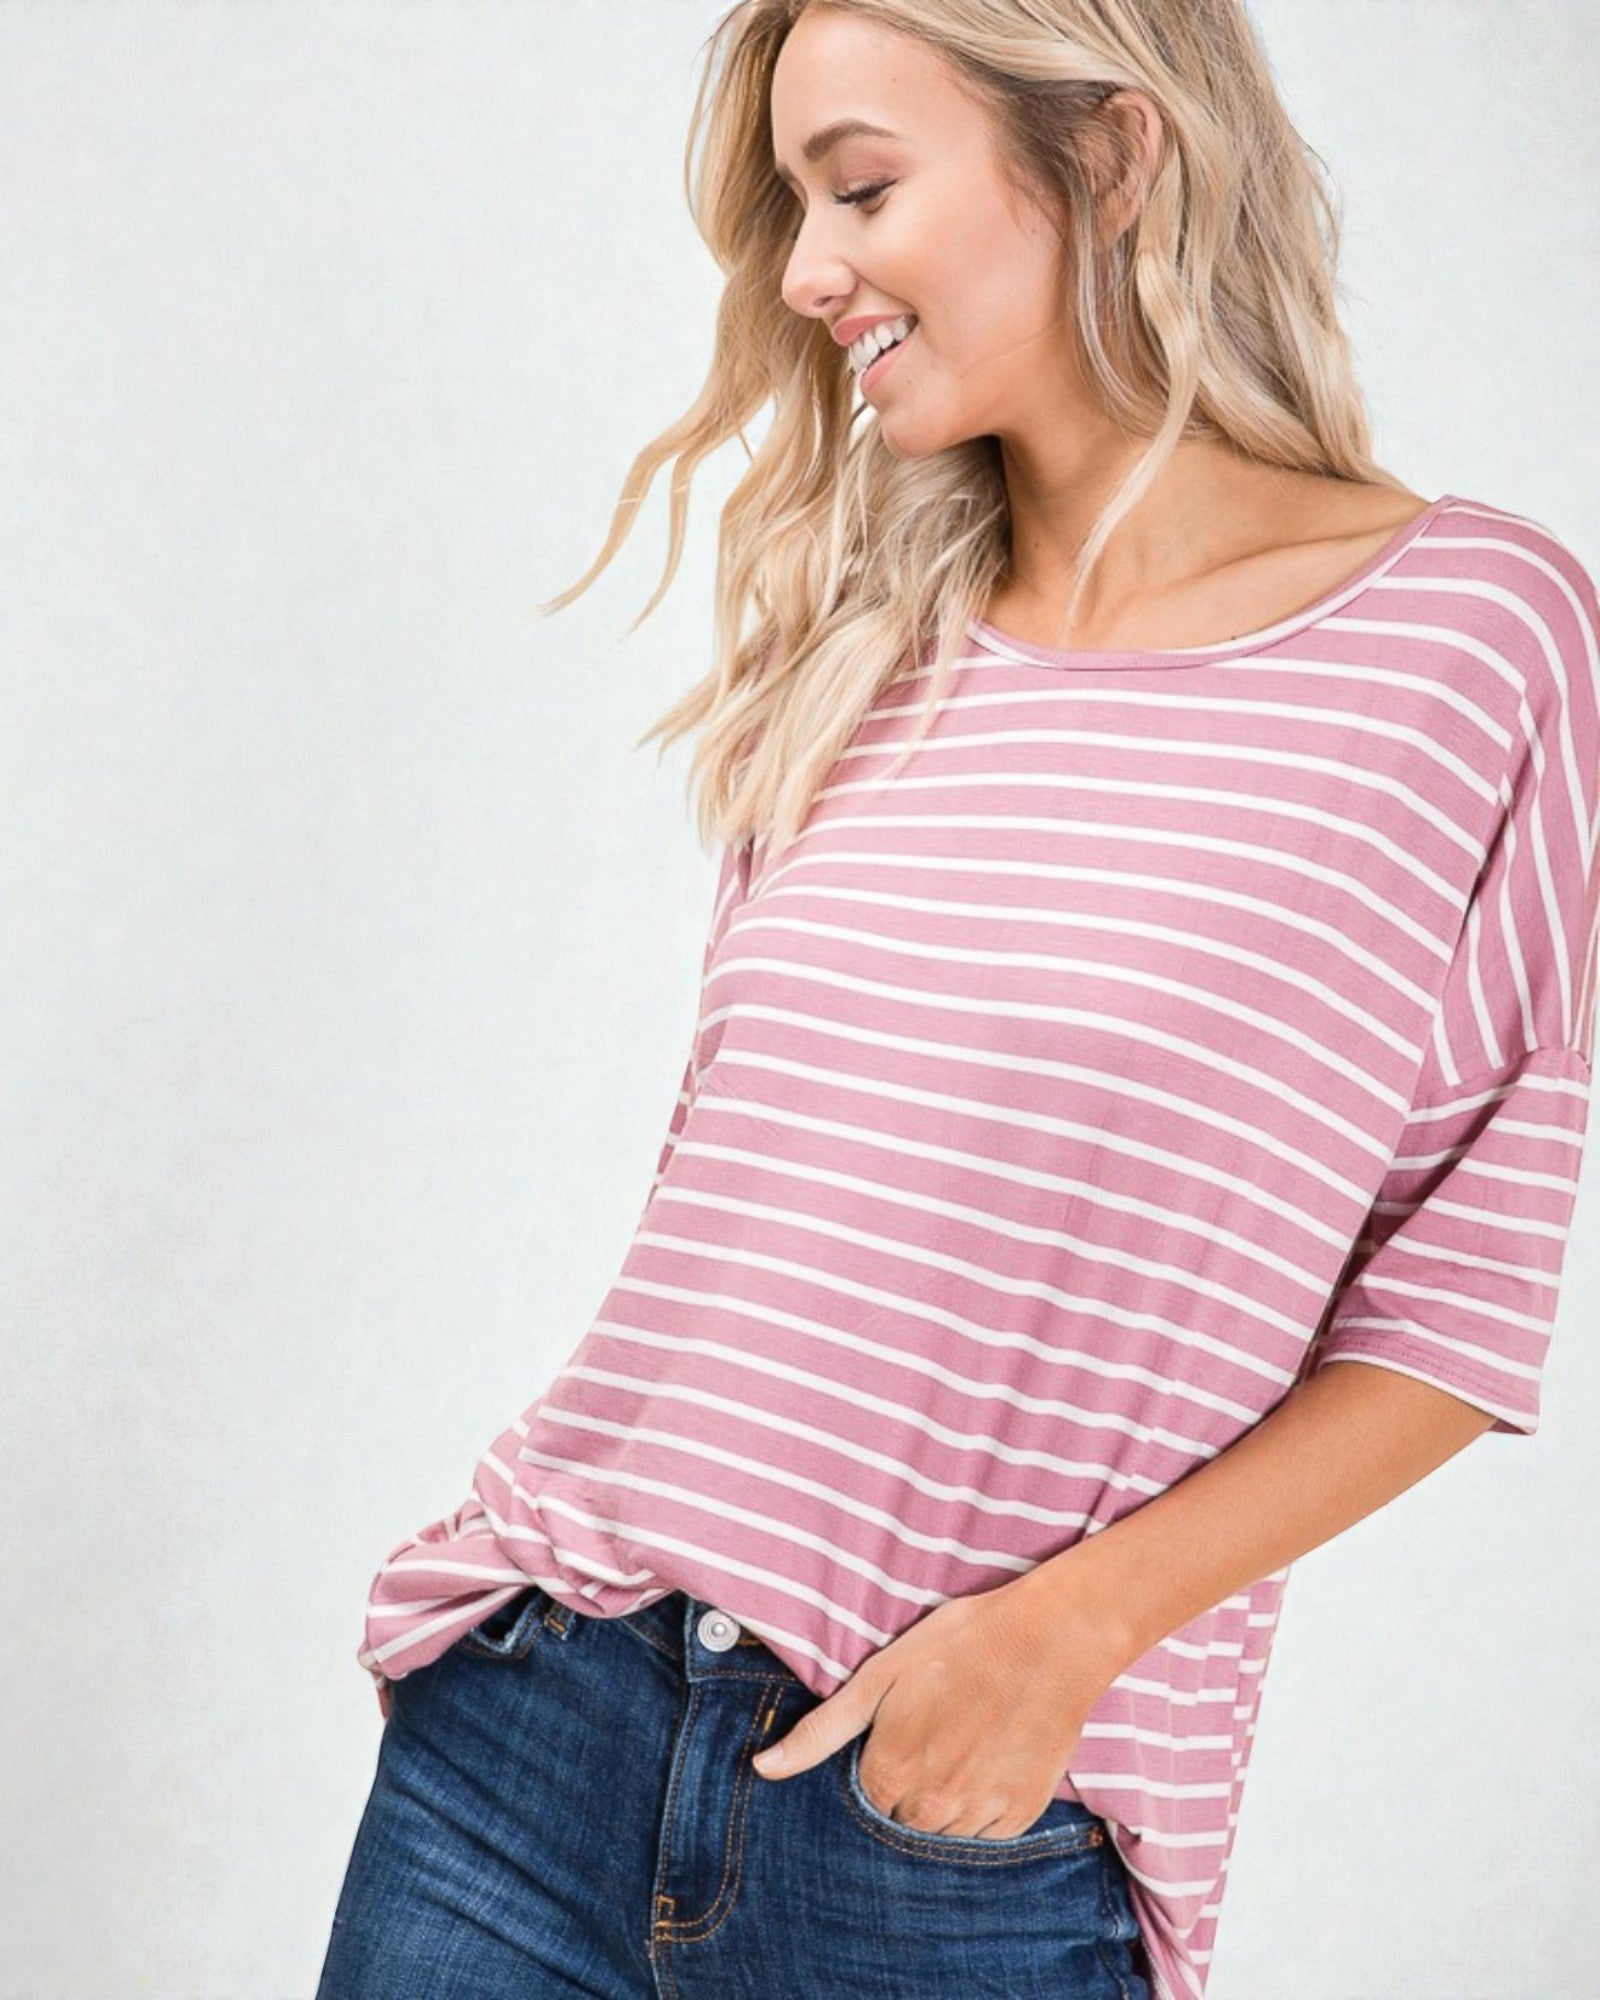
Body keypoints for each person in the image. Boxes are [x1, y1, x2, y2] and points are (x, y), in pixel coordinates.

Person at [315, 4, 1600, 1996]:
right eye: (792, 211)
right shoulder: (868, 646)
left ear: (1101, 157)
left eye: (859, 187)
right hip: (534, 1730)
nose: (808, 268)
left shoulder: (1463, 640)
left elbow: (1453, 1302)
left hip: (945, 1835)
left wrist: (1054, 1641)